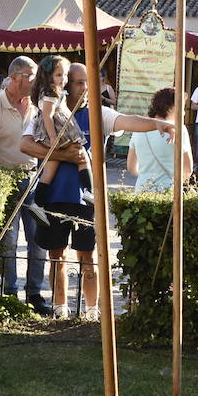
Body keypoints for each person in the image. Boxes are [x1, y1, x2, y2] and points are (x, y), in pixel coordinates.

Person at [22, 62, 173, 320]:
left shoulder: (98, 113)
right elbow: (25, 145)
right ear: (67, 84)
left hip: (87, 197)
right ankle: (60, 307)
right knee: (56, 255)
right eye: (79, 82)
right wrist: (67, 156)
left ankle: (91, 310)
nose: (85, 88)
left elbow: (129, 120)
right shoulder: (49, 110)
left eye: (88, 82)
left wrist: (157, 124)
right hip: (54, 196)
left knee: (88, 256)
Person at [0, 56, 48, 315]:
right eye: (32, 76)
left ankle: (35, 293)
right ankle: (9, 294)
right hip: (5, 180)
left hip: (33, 180)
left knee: (39, 238)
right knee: (8, 241)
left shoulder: (37, 107)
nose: (37, 81)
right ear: (17, 77)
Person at [30, 55, 93, 213]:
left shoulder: (51, 92)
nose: (63, 79)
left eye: (65, 75)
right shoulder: (51, 94)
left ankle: (38, 204)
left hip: (53, 133)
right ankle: (89, 191)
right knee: (82, 157)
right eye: (59, 75)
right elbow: (48, 116)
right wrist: (53, 137)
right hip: (57, 133)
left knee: (49, 171)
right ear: (47, 75)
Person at [127, 86, 192, 191]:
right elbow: (188, 168)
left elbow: (131, 167)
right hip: (168, 191)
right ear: (171, 108)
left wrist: (147, 178)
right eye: (182, 108)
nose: (184, 113)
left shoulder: (138, 129)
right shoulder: (179, 129)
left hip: (141, 191)